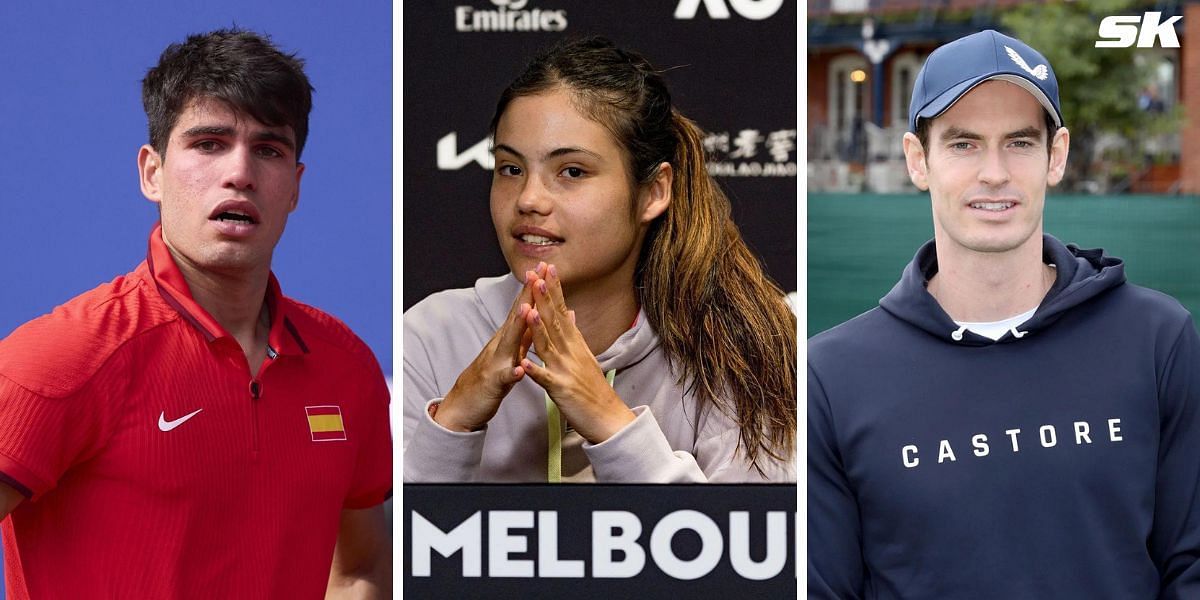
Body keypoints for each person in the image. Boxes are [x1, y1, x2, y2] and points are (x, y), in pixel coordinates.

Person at [808, 29, 1200, 598]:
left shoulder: (1157, 339)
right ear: (919, 161)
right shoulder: (830, 377)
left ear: (1055, 155)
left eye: (1018, 142)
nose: (994, 173)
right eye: (963, 144)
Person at [0, 29, 391, 598]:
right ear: (151, 173)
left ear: (295, 187)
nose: (240, 172)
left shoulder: (346, 366)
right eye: (209, 143)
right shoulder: (63, 358)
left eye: (269, 149)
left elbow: (359, 569)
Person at [403, 37, 796, 483]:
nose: (529, 199)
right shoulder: (428, 336)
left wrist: (608, 421)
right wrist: (453, 421)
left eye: (572, 171)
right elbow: (388, 546)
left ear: (653, 192)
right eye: (510, 169)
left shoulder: (739, 346)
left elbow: (757, 545)